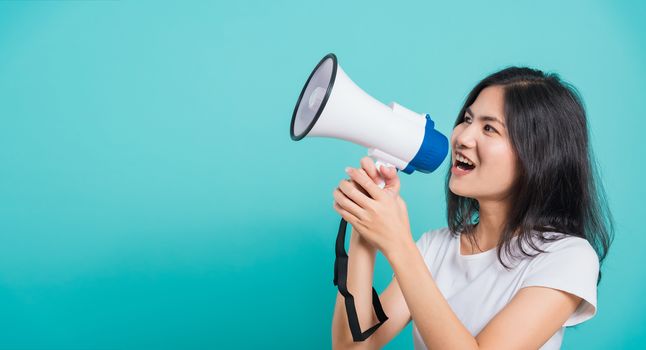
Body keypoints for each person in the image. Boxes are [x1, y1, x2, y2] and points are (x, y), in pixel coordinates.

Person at [331, 67, 613, 350]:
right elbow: (352, 347)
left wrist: (398, 245)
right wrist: (364, 234)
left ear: (538, 156)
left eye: (489, 128)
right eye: (467, 119)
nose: (462, 138)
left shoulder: (568, 257)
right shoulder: (435, 247)